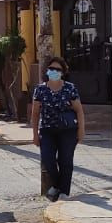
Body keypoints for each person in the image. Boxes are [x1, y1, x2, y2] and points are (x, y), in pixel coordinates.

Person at [31, 56, 87, 202]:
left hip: (67, 130)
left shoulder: (70, 88)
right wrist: (35, 134)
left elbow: (79, 110)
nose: (54, 71)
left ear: (63, 72)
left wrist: (81, 130)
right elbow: (35, 113)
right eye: (51, 69)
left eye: (57, 69)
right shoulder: (40, 89)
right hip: (47, 130)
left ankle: (64, 192)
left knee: (65, 160)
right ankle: (56, 185)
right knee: (48, 160)